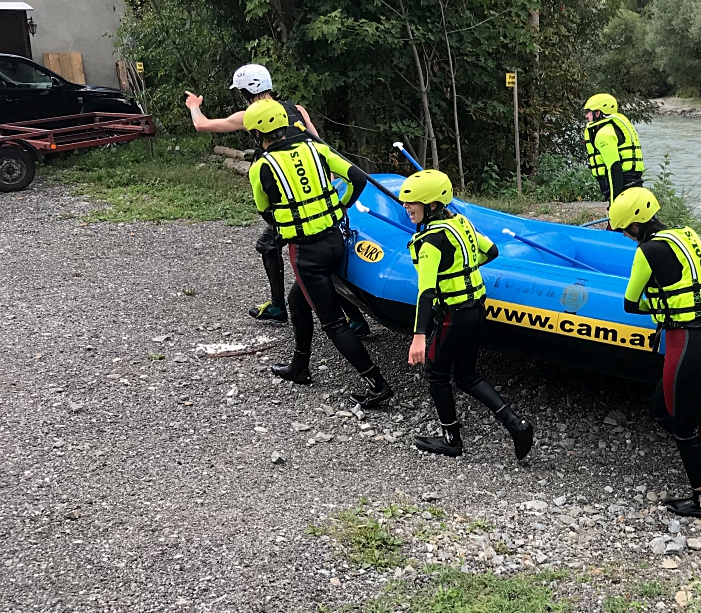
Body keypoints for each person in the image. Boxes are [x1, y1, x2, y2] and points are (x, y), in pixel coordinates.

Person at [185, 65, 370, 335]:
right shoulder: (297, 110)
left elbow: (201, 124)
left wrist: (194, 105)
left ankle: (286, 308)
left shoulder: (250, 115)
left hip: (290, 202)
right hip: (319, 195)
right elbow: (320, 145)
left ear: (246, 91)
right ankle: (348, 316)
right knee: (313, 251)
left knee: (285, 250)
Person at [244, 101, 393, 406]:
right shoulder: (316, 149)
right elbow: (359, 178)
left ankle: (377, 383)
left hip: (307, 254)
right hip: (335, 241)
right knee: (297, 301)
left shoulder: (261, 168)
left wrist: (291, 222)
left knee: (333, 323)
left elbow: (265, 211)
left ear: (258, 134)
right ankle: (299, 367)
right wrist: (342, 205)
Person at [613, 186, 701, 519]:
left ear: (635, 226)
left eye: (624, 230)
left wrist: (665, 307)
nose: (626, 236)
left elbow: (630, 303)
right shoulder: (688, 237)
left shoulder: (646, 251)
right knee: (660, 408)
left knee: (682, 425)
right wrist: (693, 295)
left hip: (684, 346)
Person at [401, 169, 534, 459]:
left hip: (452, 316)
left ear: (433, 205)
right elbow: (492, 250)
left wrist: (419, 336)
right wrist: (463, 268)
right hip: (475, 311)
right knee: (466, 375)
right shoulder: (460, 223)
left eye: (412, 204)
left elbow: (426, 292)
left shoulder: (429, 243)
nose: (406, 208)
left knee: (436, 374)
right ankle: (517, 425)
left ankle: (451, 440)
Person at [583, 94, 645, 204]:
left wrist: (615, 200)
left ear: (598, 113)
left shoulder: (604, 134)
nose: (586, 116)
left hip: (622, 187)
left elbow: (614, 168)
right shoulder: (613, 128)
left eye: (588, 112)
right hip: (633, 182)